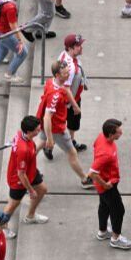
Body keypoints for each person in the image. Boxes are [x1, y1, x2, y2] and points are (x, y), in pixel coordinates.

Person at [37, 59, 93, 188]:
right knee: (72, 153)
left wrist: (74, 105)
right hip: (56, 128)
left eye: (68, 72)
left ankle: (24, 169)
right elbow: (47, 118)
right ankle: (85, 180)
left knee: (37, 146)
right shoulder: (55, 95)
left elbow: (65, 89)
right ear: (57, 75)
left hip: (50, 126)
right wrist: (51, 139)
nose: (68, 75)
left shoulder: (51, 82)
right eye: (65, 74)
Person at [88, 118, 131, 249]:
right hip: (107, 185)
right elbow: (91, 173)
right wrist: (105, 184)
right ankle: (116, 238)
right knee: (119, 210)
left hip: (106, 182)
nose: (121, 133)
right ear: (111, 134)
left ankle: (102, 232)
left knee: (104, 206)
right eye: (118, 132)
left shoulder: (101, 136)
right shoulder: (105, 153)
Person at [4, 115, 48, 231]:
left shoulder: (21, 134)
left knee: (42, 189)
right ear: (29, 131)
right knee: (12, 205)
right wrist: (31, 190)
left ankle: (31, 216)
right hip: (19, 180)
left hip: (31, 171)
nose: (39, 130)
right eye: (37, 130)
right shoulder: (23, 150)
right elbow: (21, 174)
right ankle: (1, 226)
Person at [58, 34, 89, 151]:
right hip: (69, 101)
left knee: (72, 123)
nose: (81, 47)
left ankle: (71, 142)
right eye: (78, 46)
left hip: (73, 97)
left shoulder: (64, 54)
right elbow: (66, 89)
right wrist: (74, 106)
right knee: (61, 124)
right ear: (70, 48)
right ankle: (49, 146)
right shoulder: (70, 68)